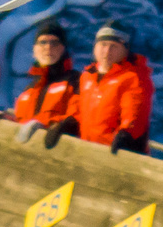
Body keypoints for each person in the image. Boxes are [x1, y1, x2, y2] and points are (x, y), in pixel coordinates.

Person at [42, 21, 153, 154]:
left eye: (114, 46)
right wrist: (65, 124)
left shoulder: (133, 78)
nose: (107, 51)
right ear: (95, 47)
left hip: (114, 153)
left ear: (125, 50)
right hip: (86, 150)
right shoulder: (88, 76)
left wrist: (127, 134)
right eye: (103, 45)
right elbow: (78, 110)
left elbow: (134, 114)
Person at [5, 21, 79, 140]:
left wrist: (47, 125)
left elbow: (76, 117)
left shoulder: (75, 81)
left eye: (54, 43)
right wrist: (5, 118)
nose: (48, 47)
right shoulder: (29, 89)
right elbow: (19, 122)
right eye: (43, 42)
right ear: (34, 49)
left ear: (63, 49)